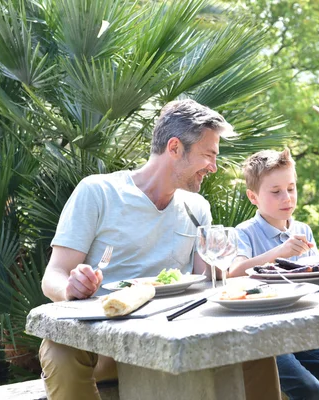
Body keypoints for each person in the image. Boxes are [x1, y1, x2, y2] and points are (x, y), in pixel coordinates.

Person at [39, 99, 282, 400]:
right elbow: (54, 275)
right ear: (175, 147)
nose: (214, 168)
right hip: (105, 342)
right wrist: (70, 289)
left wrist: (228, 271)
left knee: (254, 342)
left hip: (177, 335)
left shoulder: (197, 208)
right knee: (59, 348)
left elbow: (210, 281)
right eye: (208, 156)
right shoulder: (98, 192)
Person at [229, 148, 319, 400]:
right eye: (276, 192)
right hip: (264, 336)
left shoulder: (302, 230)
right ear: (253, 197)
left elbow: (317, 273)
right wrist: (279, 252)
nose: (286, 197)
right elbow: (234, 273)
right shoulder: (244, 232)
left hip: (301, 330)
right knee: (308, 389)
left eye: (291, 188)